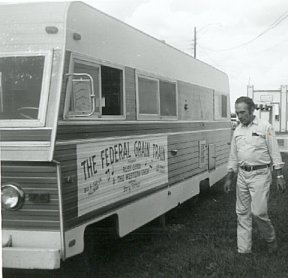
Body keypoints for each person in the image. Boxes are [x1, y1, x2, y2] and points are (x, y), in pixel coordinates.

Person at [224, 96, 286, 255]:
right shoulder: (237, 130)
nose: (239, 116)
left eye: (242, 112)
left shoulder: (265, 127)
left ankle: (271, 239)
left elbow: (275, 152)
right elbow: (233, 156)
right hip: (242, 176)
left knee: (258, 212)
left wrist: (279, 176)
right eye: (237, 113)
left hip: (260, 174)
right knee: (242, 213)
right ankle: (244, 250)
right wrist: (230, 177)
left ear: (251, 110)